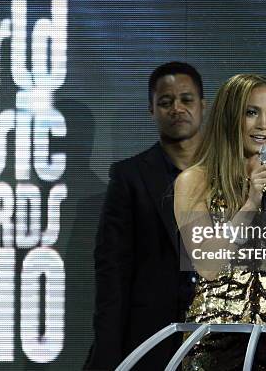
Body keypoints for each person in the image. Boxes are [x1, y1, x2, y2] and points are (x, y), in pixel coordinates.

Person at [174, 74, 266, 370]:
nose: (263, 125)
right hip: (215, 340)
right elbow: (208, 266)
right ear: (229, 116)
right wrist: (251, 203)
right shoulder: (194, 181)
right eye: (251, 112)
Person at [84, 62, 206, 370]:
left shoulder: (232, 174)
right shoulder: (130, 177)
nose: (177, 108)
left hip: (217, 338)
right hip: (149, 340)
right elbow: (112, 272)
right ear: (152, 109)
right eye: (165, 102)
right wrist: (107, 353)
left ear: (203, 105)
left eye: (186, 99)